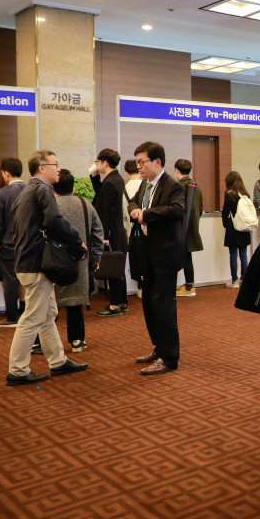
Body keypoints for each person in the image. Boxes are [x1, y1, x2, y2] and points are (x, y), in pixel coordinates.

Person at [5, 150, 88, 386]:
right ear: (42, 168)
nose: (58, 169)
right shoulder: (42, 190)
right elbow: (54, 222)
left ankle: (58, 361)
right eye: (55, 164)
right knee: (32, 317)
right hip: (37, 264)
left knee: (48, 314)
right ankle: (17, 370)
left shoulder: (25, 192)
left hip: (27, 261)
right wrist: (76, 240)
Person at [128, 141, 185, 375]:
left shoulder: (172, 185)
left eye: (142, 162)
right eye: (137, 162)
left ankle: (169, 357)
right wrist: (134, 210)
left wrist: (147, 214)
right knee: (149, 304)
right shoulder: (146, 183)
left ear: (157, 161)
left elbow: (177, 210)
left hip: (164, 255)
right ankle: (159, 347)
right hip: (146, 253)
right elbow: (134, 201)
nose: (138, 166)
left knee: (163, 306)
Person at [53, 170, 103, 352]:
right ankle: (77, 340)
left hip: (54, 260)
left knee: (50, 304)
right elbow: (98, 232)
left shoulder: (50, 205)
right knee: (75, 302)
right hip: (80, 260)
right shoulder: (85, 203)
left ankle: (42, 342)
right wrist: (95, 257)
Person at [90, 148, 128, 317]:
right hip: (117, 231)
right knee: (117, 268)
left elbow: (105, 212)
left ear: (105, 163)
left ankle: (115, 304)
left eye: (98, 162)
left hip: (111, 233)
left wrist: (104, 236)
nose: (96, 164)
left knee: (113, 268)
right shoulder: (115, 179)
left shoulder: (110, 182)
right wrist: (95, 177)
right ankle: (122, 301)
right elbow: (101, 197)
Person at [0, 158, 27, 328]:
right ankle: (28, 313)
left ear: (6, 174)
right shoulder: (31, 190)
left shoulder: (2, 194)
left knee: (10, 281)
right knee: (28, 279)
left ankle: (12, 317)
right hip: (28, 244)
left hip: (8, 244)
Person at [174, 159, 204, 297]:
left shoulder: (177, 187)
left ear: (176, 170)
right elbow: (200, 209)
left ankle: (188, 287)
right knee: (187, 256)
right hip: (192, 227)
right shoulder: (196, 188)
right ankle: (189, 284)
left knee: (180, 257)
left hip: (179, 228)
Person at [221, 171, 252, 288]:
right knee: (243, 255)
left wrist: (225, 224)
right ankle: (244, 279)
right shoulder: (245, 194)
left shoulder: (229, 194)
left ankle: (235, 281)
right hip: (244, 227)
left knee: (233, 254)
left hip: (233, 227)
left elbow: (225, 212)